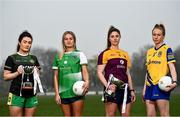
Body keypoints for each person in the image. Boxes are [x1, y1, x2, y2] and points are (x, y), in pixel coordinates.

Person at [97, 26, 136, 116]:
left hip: (125, 89)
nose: (115, 38)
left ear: (120, 37)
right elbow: (99, 72)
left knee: (126, 115)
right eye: (112, 36)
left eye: (117, 36)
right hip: (112, 89)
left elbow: (127, 74)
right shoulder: (104, 54)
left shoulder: (125, 54)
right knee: (111, 115)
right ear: (109, 38)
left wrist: (132, 90)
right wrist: (108, 86)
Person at [3, 31, 43, 116]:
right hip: (16, 94)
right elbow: (6, 77)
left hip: (31, 94)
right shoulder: (11, 58)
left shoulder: (33, 58)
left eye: (29, 43)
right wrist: (17, 73)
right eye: (25, 42)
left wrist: (37, 71)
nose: (27, 44)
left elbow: (39, 74)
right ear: (19, 42)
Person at [142, 24, 178, 116]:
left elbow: (172, 67)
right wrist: (144, 89)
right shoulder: (149, 52)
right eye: (154, 34)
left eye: (158, 35)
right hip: (149, 86)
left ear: (163, 36)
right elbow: (148, 71)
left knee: (164, 114)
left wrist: (174, 82)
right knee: (150, 115)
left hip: (161, 86)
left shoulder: (167, 49)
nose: (156, 37)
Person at [52, 31, 89, 116]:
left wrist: (87, 81)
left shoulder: (80, 54)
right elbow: (55, 76)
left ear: (74, 40)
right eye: (66, 39)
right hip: (63, 93)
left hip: (77, 91)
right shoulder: (58, 57)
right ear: (63, 41)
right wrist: (57, 94)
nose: (68, 41)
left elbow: (84, 70)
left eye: (70, 39)